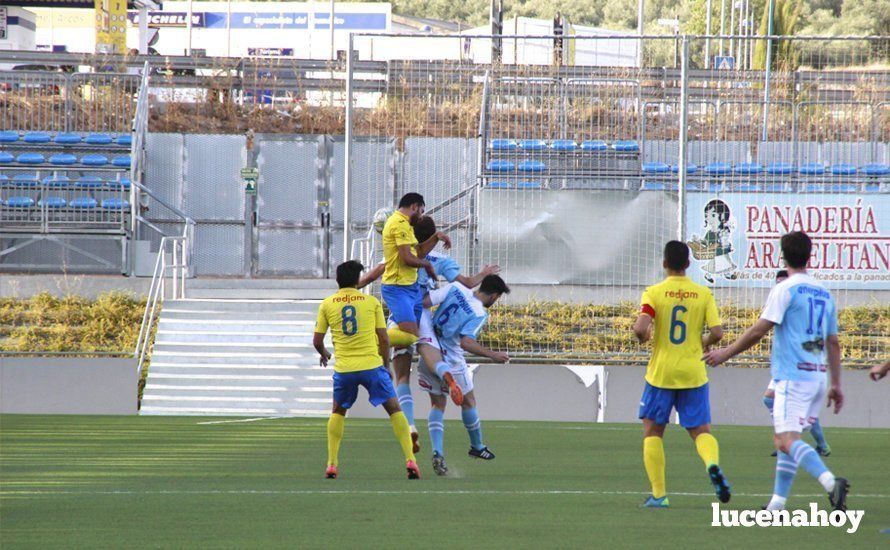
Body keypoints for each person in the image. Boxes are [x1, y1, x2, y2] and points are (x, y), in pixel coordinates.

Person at [704, 231, 849, 512]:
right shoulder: (824, 293)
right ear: (810, 255)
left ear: (783, 256)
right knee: (784, 439)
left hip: (793, 377)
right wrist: (837, 384)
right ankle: (777, 505)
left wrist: (725, 352)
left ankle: (832, 483)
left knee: (786, 440)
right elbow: (833, 342)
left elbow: (759, 330)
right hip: (817, 377)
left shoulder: (785, 289)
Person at [359, 215, 498, 451]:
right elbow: (466, 283)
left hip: (399, 311)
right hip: (422, 312)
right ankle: (448, 378)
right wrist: (483, 274)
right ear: (433, 236)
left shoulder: (403, 252)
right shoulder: (441, 259)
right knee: (429, 354)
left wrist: (354, 286)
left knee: (401, 376)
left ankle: (410, 425)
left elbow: (375, 273)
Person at [632, 240, 730, 508]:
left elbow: (641, 329)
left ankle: (659, 495)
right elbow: (718, 333)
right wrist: (705, 343)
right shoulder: (703, 293)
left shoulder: (654, 292)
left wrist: (645, 337)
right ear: (688, 264)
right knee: (701, 431)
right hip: (693, 372)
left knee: (653, 432)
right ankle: (712, 464)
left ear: (665, 264)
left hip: (661, 373)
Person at [312, 260, 420, 480]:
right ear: (357, 280)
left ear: (337, 280)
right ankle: (411, 460)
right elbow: (383, 338)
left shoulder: (327, 304)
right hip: (371, 366)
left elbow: (317, 341)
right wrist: (386, 366)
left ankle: (332, 464)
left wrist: (324, 353)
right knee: (395, 410)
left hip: (344, 368)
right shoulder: (371, 302)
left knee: (338, 412)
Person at [418, 275, 511, 475]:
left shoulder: (456, 287)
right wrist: (493, 355)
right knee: (468, 402)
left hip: (430, 350)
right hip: (452, 360)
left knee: (437, 404)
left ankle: (437, 451)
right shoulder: (479, 313)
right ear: (494, 295)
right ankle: (477, 446)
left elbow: (425, 301)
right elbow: (466, 343)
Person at [764, 270, 830, 457]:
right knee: (770, 399)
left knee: (776, 403)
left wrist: (727, 353)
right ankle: (793, 438)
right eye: (777, 282)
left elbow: (758, 331)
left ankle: (792, 439)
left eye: (782, 281)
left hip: (797, 366)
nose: (779, 285)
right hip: (796, 365)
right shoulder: (816, 295)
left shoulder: (792, 298)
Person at [380, 193, 450, 350]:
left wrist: (436, 237)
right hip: (397, 288)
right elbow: (407, 258)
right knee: (411, 335)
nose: (421, 216)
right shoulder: (398, 223)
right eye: (422, 211)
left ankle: (384, 350)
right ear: (414, 207)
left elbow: (418, 252)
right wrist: (427, 265)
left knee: (409, 335)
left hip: (411, 287)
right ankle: (370, 339)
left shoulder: (406, 224)